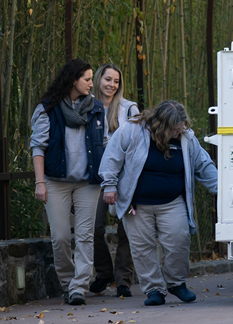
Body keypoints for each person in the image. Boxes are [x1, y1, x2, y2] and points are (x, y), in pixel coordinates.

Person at [98, 100, 219, 306]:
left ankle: (176, 283)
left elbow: (204, 166)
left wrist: (223, 191)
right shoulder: (132, 130)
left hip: (171, 202)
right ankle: (154, 289)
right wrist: (109, 185)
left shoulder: (187, 139)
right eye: (175, 128)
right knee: (142, 247)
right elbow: (112, 157)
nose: (179, 131)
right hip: (136, 204)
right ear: (162, 125)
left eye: (181, 127)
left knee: (179, 241)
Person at [31, 59, 107, 306]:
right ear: (73, 80)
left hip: (88, 182)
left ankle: (78, 287)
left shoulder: (96, 108)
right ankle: (67, 282)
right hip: (55, 181)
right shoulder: (48, 108)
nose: (90, 83)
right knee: (61, 236)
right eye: (87, 78)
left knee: (85, 236)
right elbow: (38, 147)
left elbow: (104, 144)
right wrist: (39, 182)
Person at [90, 64, 139, 297]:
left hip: (125, 177)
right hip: (95, 176)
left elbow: (139, 141)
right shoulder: (86, 105)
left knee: (126, 229)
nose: (111, 85)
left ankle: (124, 281)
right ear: (99, 79)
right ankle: (103, 272)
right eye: (107, 79)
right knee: (93, 227)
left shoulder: (129, 109)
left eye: (116, 81)